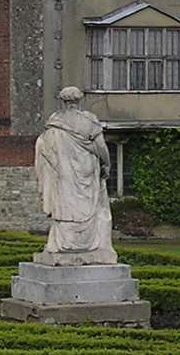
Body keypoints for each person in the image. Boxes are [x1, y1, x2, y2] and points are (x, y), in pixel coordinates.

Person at [32, 86, 118, 266]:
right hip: (87, 170)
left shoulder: (55, 121)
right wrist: (107, 165)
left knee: (66, 206)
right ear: (80, 100)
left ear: (63, 101)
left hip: (64, 172)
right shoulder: (89, 120)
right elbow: (101, 147)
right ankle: (89, 246)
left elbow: (45, 146)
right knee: (90, 207)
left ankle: (63, 244)